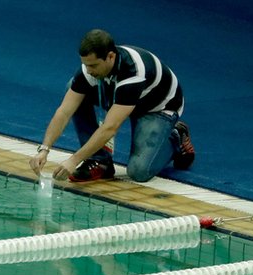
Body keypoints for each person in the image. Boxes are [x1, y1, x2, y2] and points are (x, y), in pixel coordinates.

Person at [29, 29, 195, 183]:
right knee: (72, 88)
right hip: (122, 97)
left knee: (139, 172)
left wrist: (74, 160)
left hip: (156, 109)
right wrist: (44, 149)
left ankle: (176, 136)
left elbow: (110, 127)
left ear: (110, 56)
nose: (89, 70)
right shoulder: (90, 69)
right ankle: (100, 162)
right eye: (86, 64)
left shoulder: (133, 73)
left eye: (93, 65)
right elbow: (64, 111)